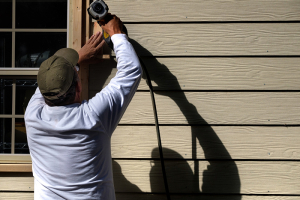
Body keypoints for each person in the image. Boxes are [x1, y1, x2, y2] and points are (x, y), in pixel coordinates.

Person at [24, 14, 142, 200]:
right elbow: (131, 70)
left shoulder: (32, 115)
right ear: (79, 87)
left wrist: (77, 60)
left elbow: (49, 84)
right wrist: (116, 33)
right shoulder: (93, 117)